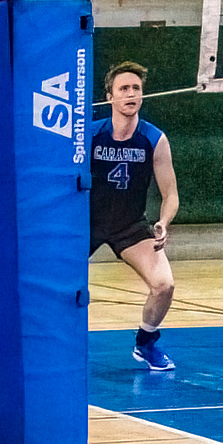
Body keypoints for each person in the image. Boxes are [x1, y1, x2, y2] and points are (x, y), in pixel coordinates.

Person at [91, 61, 180, 372]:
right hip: (85, 224)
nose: (130, 94)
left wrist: (163, 223)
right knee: (55, 283)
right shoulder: (90, 135)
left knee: (164, 284)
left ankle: (146, 342)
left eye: (136, 89)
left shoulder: (154, 139)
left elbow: (171, 195)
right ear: (109, 96)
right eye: (123, 89)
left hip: (129, 224)